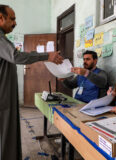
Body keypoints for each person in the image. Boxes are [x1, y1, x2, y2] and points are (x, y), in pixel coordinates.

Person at [0, 5, 63, 160]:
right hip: (2, 98)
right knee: (5, 133)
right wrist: (46, 56)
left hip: (5, 95)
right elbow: (17, 57)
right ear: (1, 18)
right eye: (12, 19)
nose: (15, 23)